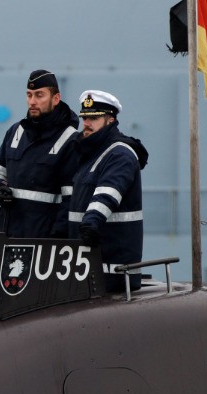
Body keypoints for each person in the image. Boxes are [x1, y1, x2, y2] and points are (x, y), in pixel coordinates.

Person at [68, 90, 149, 292]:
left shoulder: (120, 154)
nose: (86, 123)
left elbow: (108, 193)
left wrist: (91, 223)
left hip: (113, 273)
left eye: (94, 118)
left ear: (110, 120)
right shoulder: (89, 154)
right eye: (84, 117)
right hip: (86, 269)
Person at [0, 69, 79, 237]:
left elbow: (71, 201)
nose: (32, 101)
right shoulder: (15, 131)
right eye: (29, 95)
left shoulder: (70, 140)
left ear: (56, 98)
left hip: (43, 240)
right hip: (6, 234)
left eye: (39, 95)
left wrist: (55, 241)